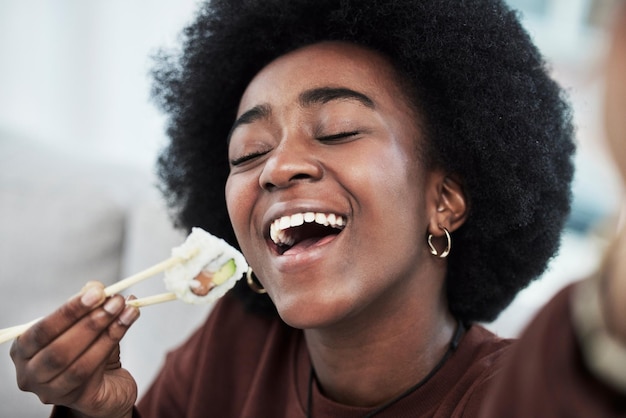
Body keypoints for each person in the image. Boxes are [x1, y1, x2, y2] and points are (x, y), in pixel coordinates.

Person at [8, 0, 626, 416]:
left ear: (445, 201)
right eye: (249, 152)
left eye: (336, 131)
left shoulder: (511, 396)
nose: (277, 167)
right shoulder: (232, 347)